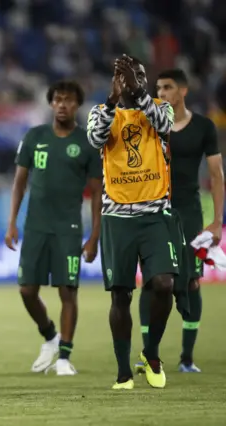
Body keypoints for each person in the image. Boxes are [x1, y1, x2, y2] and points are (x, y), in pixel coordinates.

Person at [87, 55, 187, 390]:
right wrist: (113, 99)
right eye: (126, 75)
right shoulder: (102, 112)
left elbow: (164, 126)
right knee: (120, 296)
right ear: (114, 80)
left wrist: (140, 92)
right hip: (117, 217)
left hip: (155, 215)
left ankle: (151, 353)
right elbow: (95, 139)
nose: (133, 79)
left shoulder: (160, 107)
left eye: (139, 74)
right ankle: (122, 371)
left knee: (164, 284)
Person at [5, 81, 103, 376]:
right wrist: (11, 223)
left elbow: (98, 193)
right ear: (50, 104)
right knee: (26, 290)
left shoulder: (87, 143)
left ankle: (64, 358)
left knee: (68, 292)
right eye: (58, 99)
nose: (63, 105)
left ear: (77, 105)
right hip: (35, 226)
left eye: (69, 100)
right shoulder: (35, 136)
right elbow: (20, 182)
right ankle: (50, 336)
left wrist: (94, 236)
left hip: (69, 228)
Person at [136, 69, 223, 374]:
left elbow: (215, 175)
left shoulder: (203, 127)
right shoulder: (147, 125)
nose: (160, 92)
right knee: (151, 282)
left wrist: (216, 222)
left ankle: (187, 358)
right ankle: (149, 353)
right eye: (157, 88)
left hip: (188, 211)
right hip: (152, 210)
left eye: (167, 87)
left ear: (183, 90)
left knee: (191, 283)